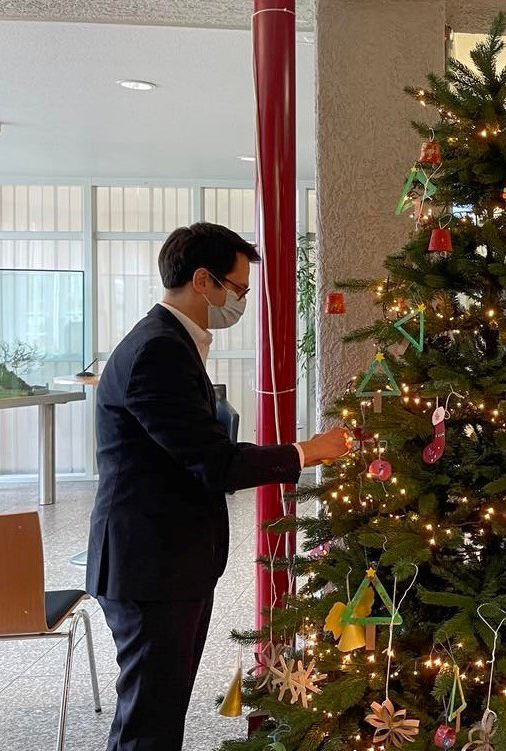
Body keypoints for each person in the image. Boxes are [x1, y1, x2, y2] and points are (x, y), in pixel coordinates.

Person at [86, 222, 352, 751]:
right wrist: (309, 451)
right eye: (238, 289)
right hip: (150, 567)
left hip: (168, 562)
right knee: (149, 722)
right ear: (203, 281)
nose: (241, 302)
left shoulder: (172, 342)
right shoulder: (158, 350)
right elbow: (214, 463)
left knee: (160, 711)